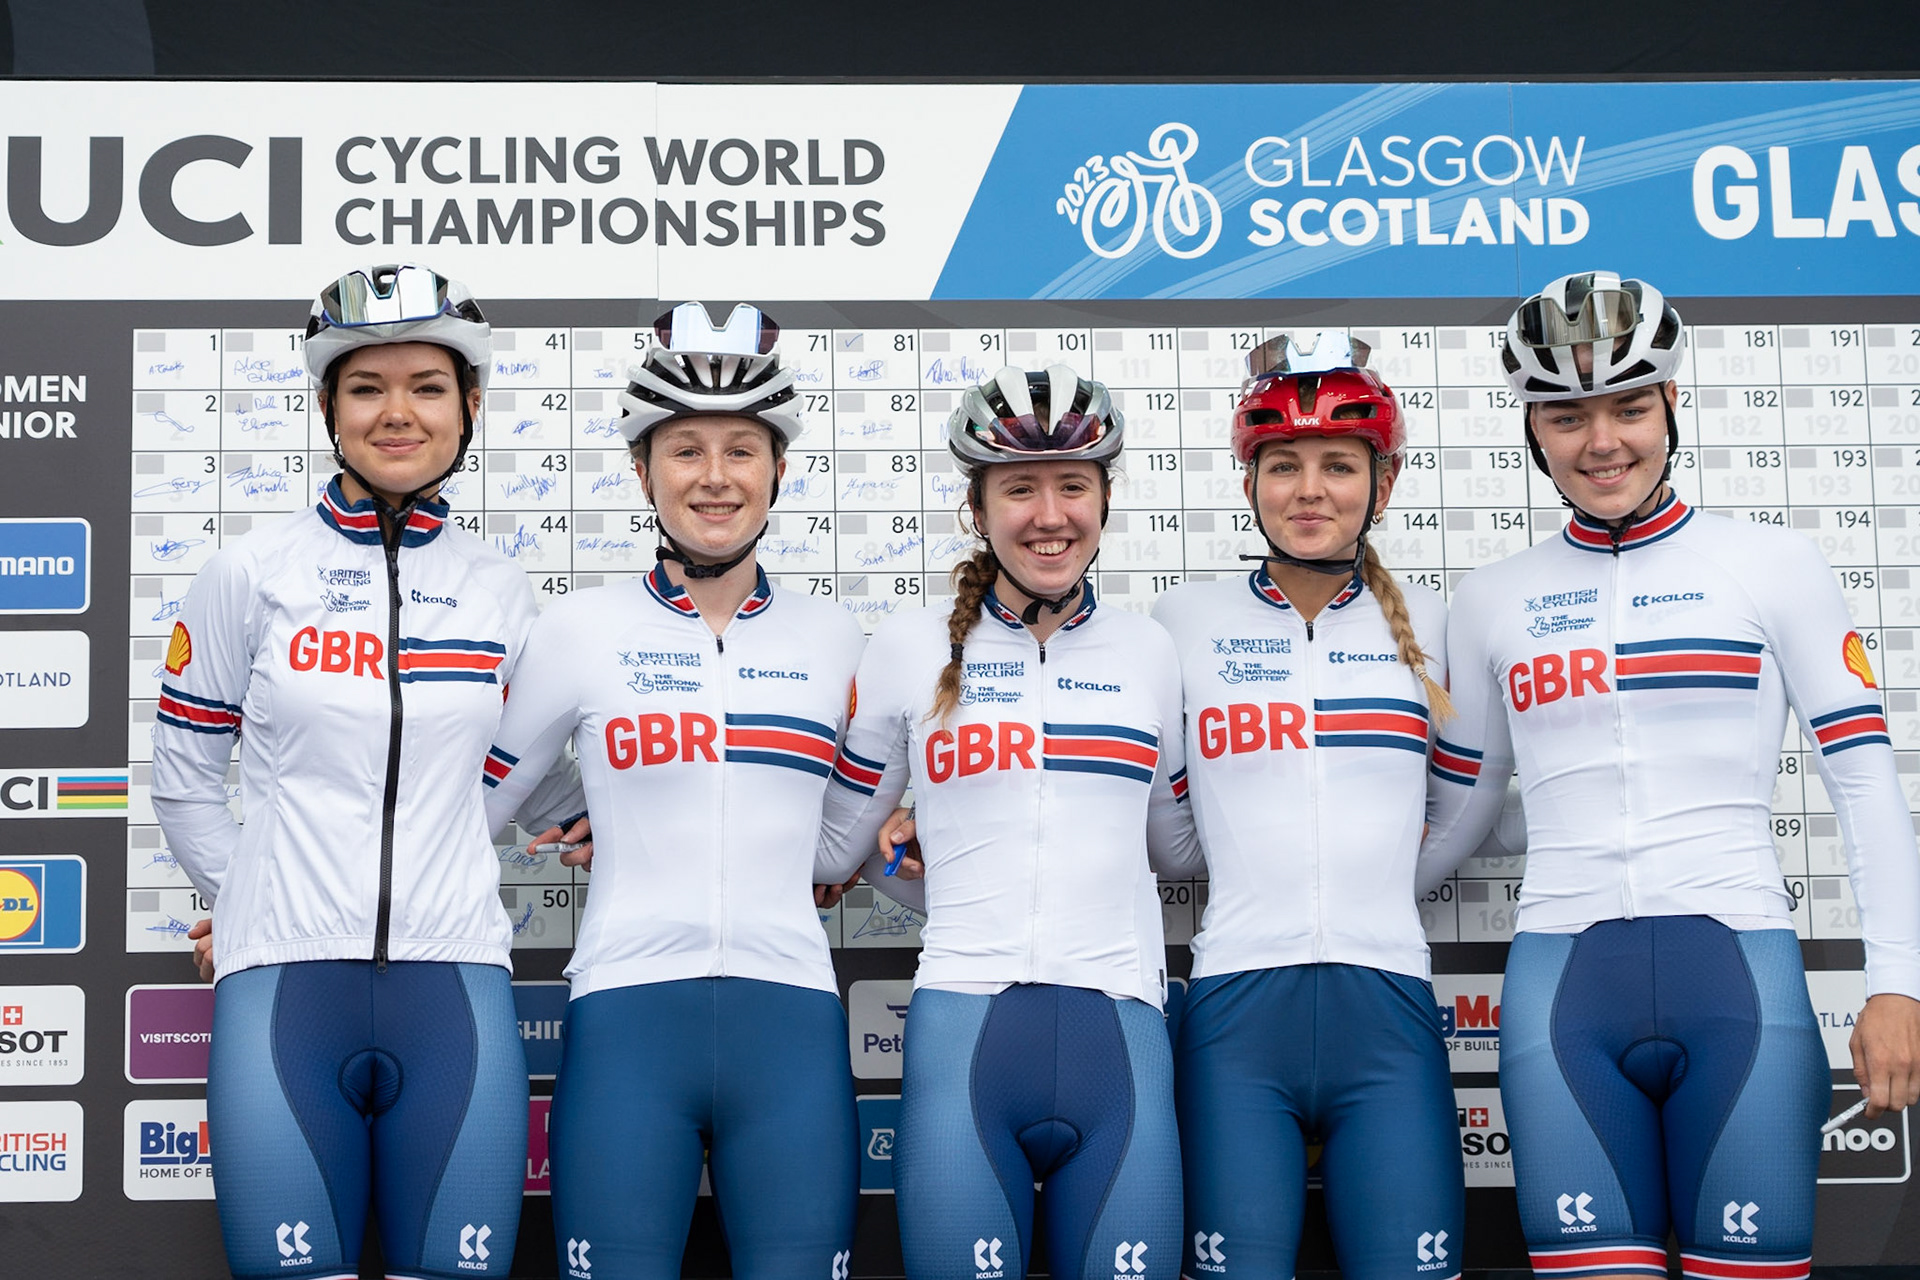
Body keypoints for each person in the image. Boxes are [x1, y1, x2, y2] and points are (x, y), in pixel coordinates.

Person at [1418, 271, 1920, 1280]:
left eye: (1629, 406)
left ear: (1673, 404)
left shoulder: (1776, 564)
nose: (1602, 441)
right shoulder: (1490, 599)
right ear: (1532, 429)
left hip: (1739, 982)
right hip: (1562, 994)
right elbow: (1471, 812)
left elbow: (1864, 783)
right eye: (1567, 415)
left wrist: (1898, 982)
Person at [151, 263, 581, 1280]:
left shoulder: (499, 590)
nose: (399, 412)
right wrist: (249, 895)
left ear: (469, 405)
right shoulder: (249, 572)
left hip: (457, 988)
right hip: (286, 992)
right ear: (326, 406)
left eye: (428, 387)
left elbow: (539, 775)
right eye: (367, 386)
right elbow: (182, 773)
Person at [478, 301, 865, 1280]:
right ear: (642, 469)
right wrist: (566, 813)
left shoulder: (837, 640)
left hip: (792, 1015)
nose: (715, 475)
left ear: (780, 467)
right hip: (626, 1015)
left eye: (742, 446)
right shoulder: (577, 630)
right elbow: (471, 799)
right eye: (685, 447)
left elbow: (863, 827)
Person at [818, 365, 1193, 1280]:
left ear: (1106, 498)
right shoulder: (908, 646)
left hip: (1122, 1028)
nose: (1049, 513)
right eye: (1019, 488)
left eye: (1073, 484)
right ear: (977, 508)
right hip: (965, 1028)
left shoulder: (1150, 651)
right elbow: (838, 842)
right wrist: (917, 868)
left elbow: (1179, 844)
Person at [1149, 332, 1464, 1280]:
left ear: (1385, 481)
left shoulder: (1441, 628)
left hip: (1390, 1007)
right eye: (1282, 465)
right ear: (1249, 483)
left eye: (1337, 464)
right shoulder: (1183, 622)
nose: (1310, 490)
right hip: (1238, 1010)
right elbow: (1170, 838)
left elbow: (1464, 804)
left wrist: (1378, 892)